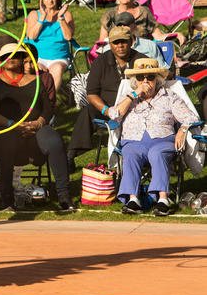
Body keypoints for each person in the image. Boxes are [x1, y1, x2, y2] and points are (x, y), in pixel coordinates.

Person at [0, 42, 73, 211]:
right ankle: (7, 199)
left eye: (15, 55)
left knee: (54, 141)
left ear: (22, 58)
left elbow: (47, 109)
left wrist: (39, 122)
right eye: (6, 56)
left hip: (35, 130)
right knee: (5, 142)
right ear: (1, 60)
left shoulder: (37, 81)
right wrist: (13, 124)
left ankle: (64, 197)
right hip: (9, 130)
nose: (10, 59)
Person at [109, 58, 197, 216]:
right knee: (130, 154)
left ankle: (163, 200)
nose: (145, 81)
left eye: (150, 77)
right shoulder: (129, 98)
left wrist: (182, 129)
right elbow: (114, 115)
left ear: (157, 79)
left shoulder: (169, 97)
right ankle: (133, 200)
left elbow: (190, 117)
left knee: (157, 154)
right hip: (133, 141)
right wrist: (133, 95)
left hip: (162, 140)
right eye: (140, 77)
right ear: (134, 81)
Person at [66, 26, 147, 170]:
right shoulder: (101, 62)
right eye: (116, 42)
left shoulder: (141, 60)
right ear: (110, 44)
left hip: (136, 107)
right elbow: (91, 93)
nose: (120, 45)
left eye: (124, 41)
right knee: (88, 111)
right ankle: (70, 155)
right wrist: (106, 110)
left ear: (131, 42)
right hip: (107, 107)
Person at [98, 0, 185, 45]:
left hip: (143, 51)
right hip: (119, 52)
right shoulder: (109, 15)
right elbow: (102, 41)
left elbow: (158, 36)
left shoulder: (144, 12)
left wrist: (175, 34)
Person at [26, 0, 74, 93]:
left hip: (59, 57)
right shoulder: (34, 14)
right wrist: (42, 18)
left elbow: (68, 37)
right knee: (35, 68)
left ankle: (49, 104)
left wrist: (61, 18)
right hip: (38, 57)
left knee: (57, 68)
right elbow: (31, 36)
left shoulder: (66, 15)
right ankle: (37, 102)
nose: (50, 0)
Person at [100, 12, 168, 70]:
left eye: (126, 25)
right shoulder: (108, 48)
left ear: (134, 26)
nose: (123, 28)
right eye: (119, 26)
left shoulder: (149, 45)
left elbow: (162, 68)